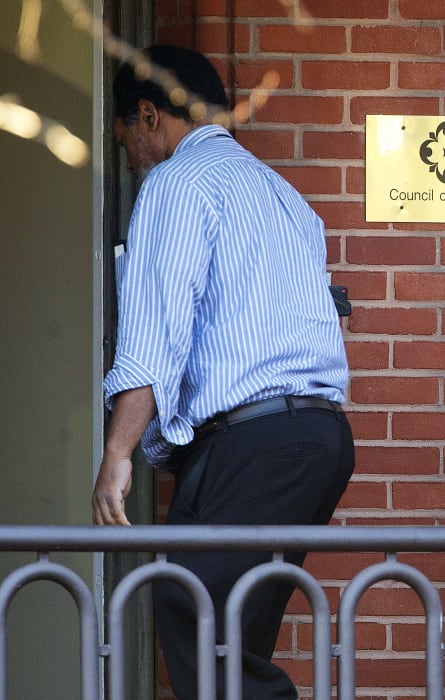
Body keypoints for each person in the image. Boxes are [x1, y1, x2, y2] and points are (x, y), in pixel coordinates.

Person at [92, 45, 355, 699]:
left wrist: (118, 452)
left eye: (124, 136)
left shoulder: (177, 185)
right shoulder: (285, 197)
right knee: (229, 637)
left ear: (148, 115)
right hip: (315, 440)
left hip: (252, 443)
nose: (127, 157)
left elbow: (154, 331)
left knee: (190, 610)